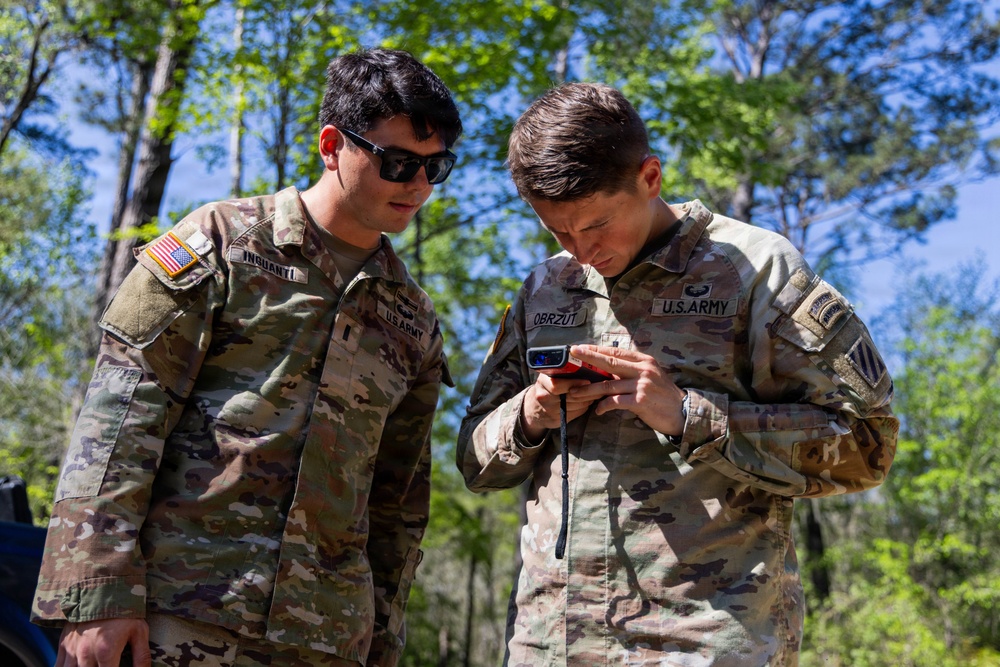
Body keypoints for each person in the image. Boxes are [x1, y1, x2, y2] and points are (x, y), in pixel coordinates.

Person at [32, 47, 462, 667]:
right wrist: (95, 592)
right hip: (174, 617)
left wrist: (385, 641)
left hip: (325, 638)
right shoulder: (221, 243)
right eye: (398, 162)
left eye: (436, 166)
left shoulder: (412, 318)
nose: (419, 185)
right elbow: (120, 418)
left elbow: (397, 504)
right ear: (333, 144)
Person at [456, 82, 897, 666]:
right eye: (559, 231)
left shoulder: (756, 270)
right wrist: (531, 415)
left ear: (650, 177)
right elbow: (473, 458)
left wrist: (690, 415)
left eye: (597, 225)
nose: (582, 250)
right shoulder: (545, 289)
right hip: (552, 640)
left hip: (705, 638)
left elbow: (867, 446)